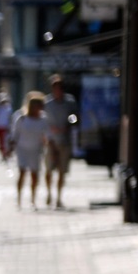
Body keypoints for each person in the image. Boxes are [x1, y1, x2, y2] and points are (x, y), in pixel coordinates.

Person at [44, 75, 81, 208]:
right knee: (48, 170)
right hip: (51, 141)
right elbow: (44, 121)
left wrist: (69, 124)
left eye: (59, 88)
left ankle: (59, 197)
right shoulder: (47, 103)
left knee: (61, 171)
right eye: (55, 88)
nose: (57, 91)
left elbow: (74, 117)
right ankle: (48, 193)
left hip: (64, 141)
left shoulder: (70, 102)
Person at [8, 92, 48, 207]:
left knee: (35, 175)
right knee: (22, 172)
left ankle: (32, 199)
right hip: (22, 149)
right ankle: (19, 198)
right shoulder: (21, 118)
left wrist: (46, 145)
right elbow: (15, 134)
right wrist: (11, 148)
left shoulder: (43, 119)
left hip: (35, 150)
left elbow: (45, 134)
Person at [0, 89, 14, 159]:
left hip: (5, 126)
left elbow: (10, 117)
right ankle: (3, 153)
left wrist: (10, 126)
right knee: (0, 141)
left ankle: (6, 153)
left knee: (5, 141)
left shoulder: (8, 108)